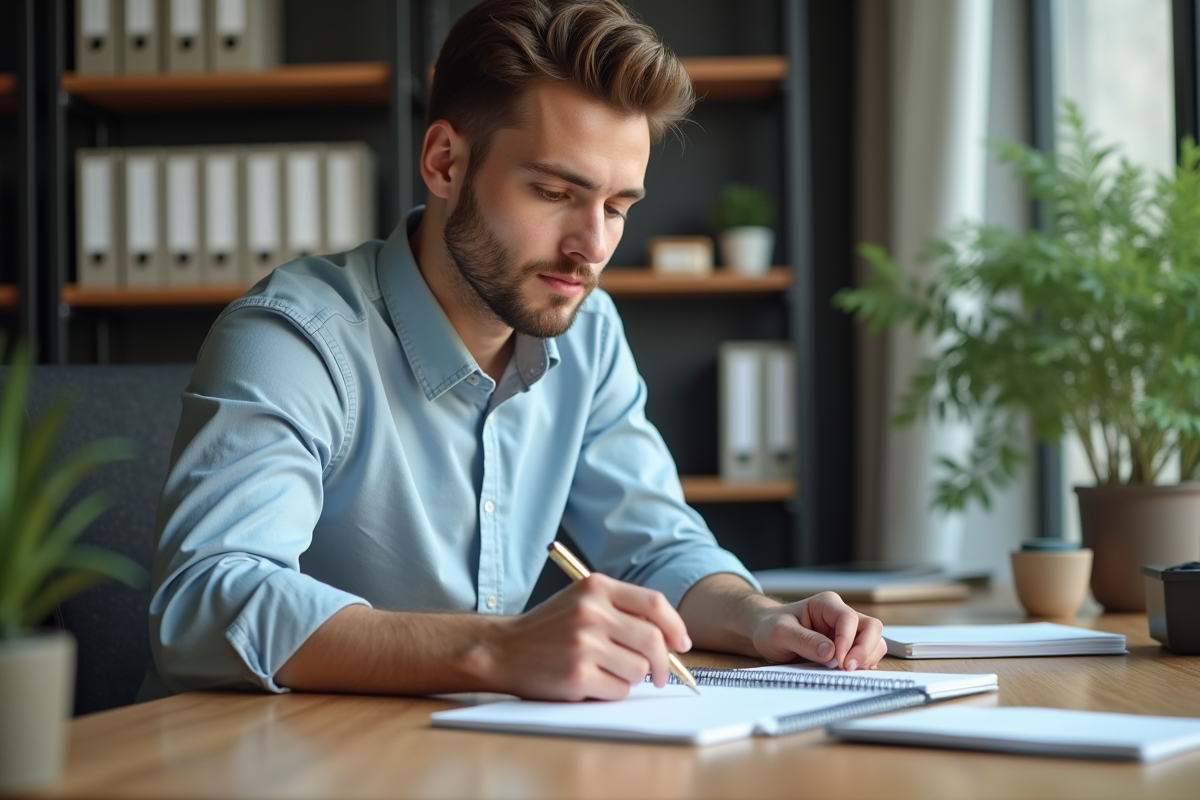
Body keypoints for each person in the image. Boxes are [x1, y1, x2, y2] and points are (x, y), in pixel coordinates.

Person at [143, 0, 886, 703]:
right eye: (556, 192)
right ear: (444, 163)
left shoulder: (587, 332)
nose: (592, 246)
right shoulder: (294, 337)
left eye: (618, 207)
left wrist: (759, 618)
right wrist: (497, 650)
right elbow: (209, 599)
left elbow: (659, 549)